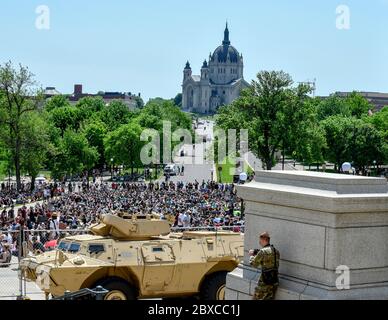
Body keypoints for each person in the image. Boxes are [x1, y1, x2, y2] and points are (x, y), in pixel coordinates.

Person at [249, 232, 280, 300]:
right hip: (274, 282)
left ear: (263, 240)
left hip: (264, 283)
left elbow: (254, 264)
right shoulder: (276, 251)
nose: (259, 242)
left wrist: (251, 256)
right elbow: (269, 256)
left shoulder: (262, 252)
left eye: (260, 240)